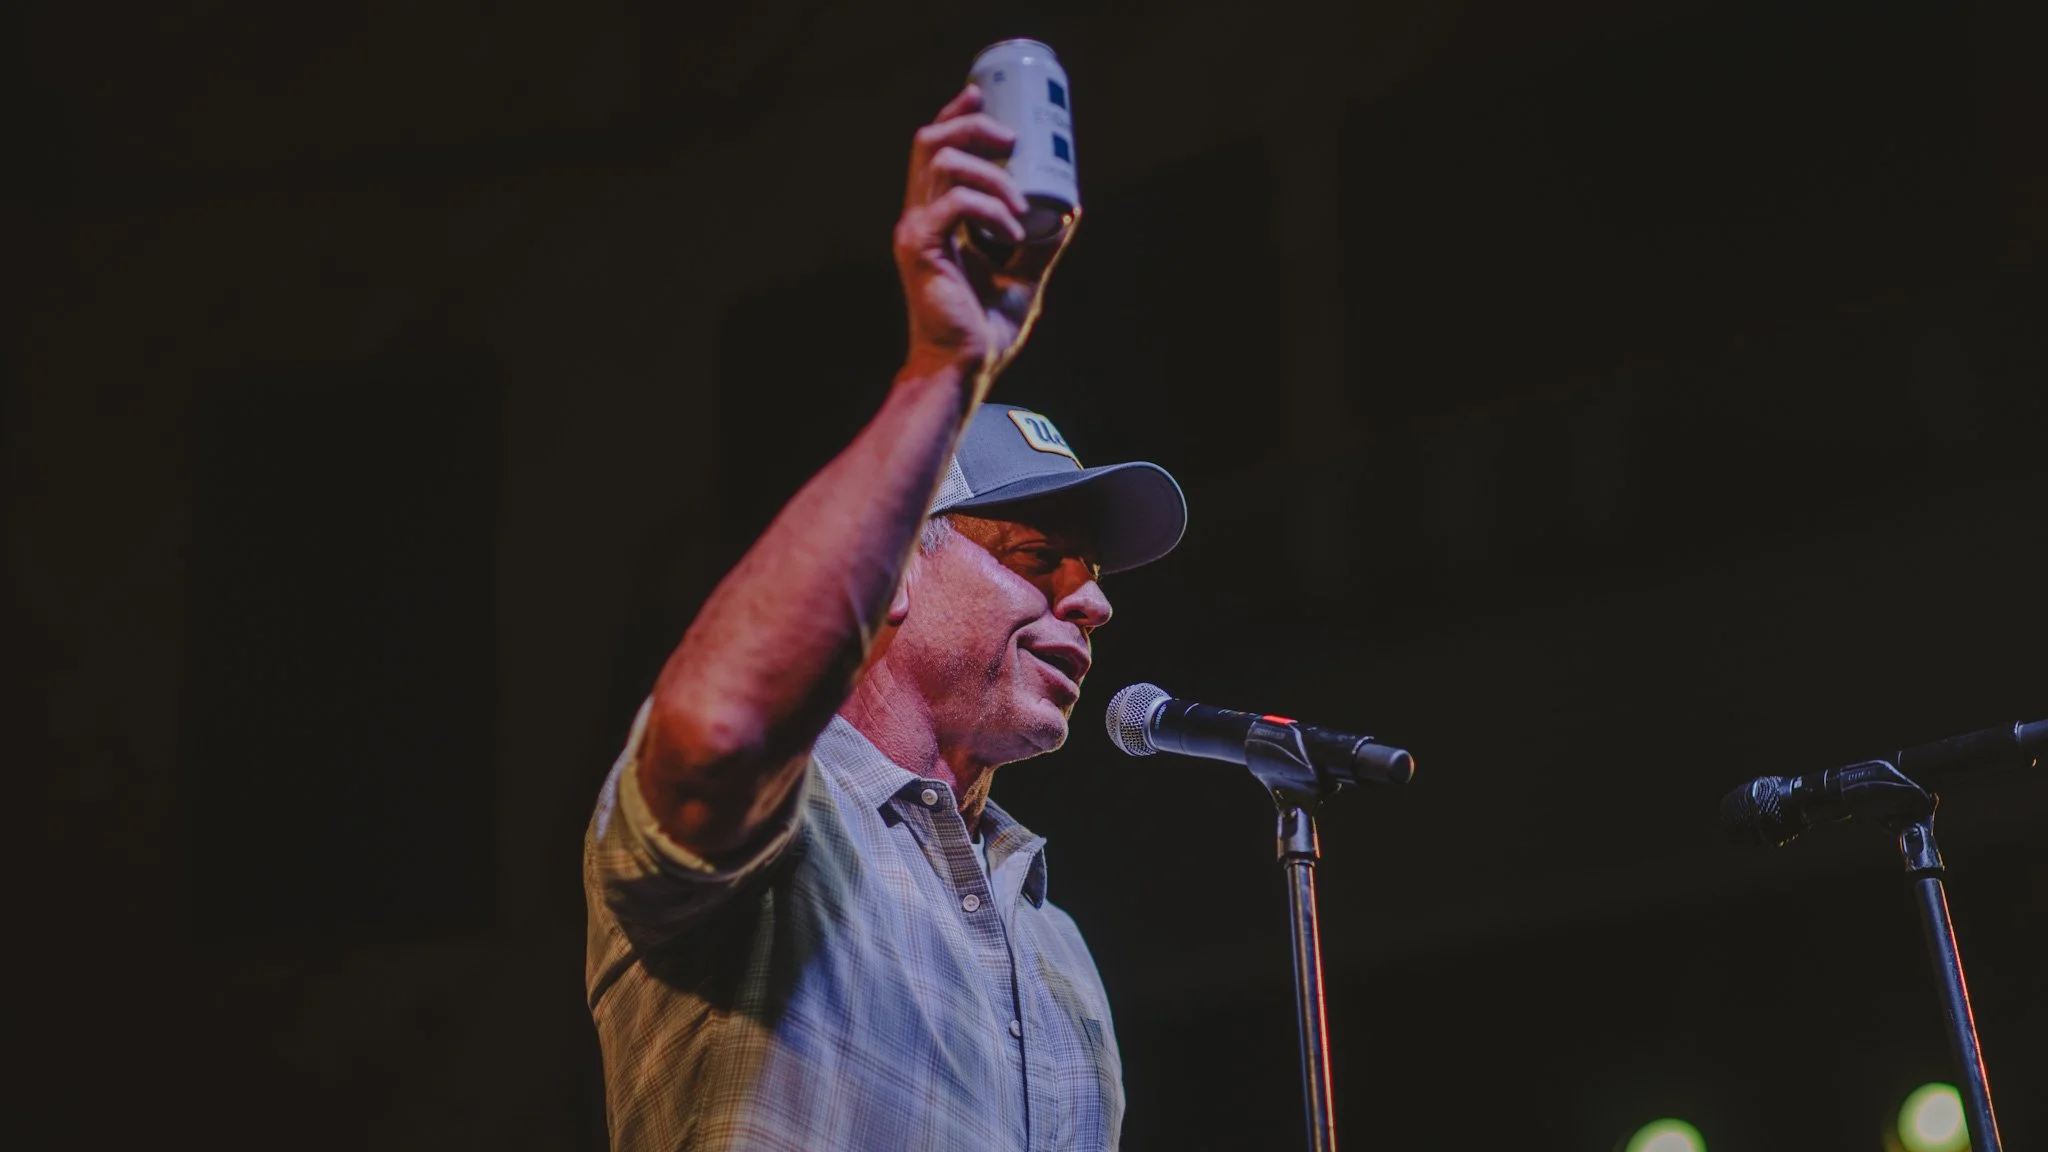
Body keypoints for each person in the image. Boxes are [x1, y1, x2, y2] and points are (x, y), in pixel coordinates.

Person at [582, 82, 1187, 1152]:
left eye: (1092, 572)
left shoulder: (1060, 952)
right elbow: (716, 732)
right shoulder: (778, 830)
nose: (1092, 600)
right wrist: (942, 369)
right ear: (895, 573)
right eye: (1037, 557)